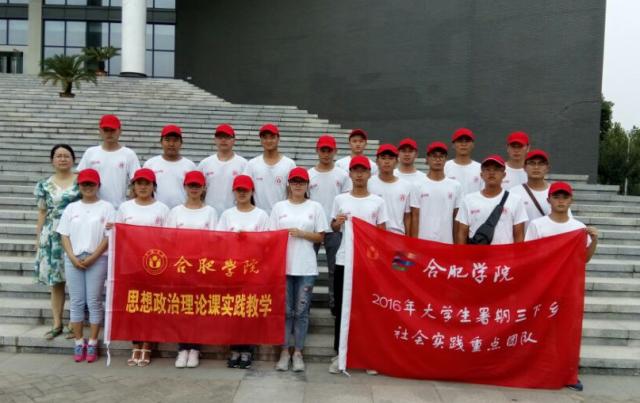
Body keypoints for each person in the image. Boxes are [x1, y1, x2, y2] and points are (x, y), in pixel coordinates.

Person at [524, 181, 598, 393]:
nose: (560, 201)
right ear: (549, 200)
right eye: (556, 197)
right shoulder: (537, 225)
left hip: (569, 286)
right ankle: (536, 369)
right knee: (539, 328)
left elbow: (584, 259)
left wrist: (594, 240)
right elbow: (529, 254)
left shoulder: (578, 228)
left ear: (570, 200)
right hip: (544, 285)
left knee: (567, 330)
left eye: (564, 197)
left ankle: (568, 373)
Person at [329, 156, 388, 374]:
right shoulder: (340, 199)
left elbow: (382, 233)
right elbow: (333, 227)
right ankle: (340, 354)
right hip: (344, 260)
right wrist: (337, 223)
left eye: (363, 170)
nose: (359, 174)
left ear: (369, 174)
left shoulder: (378, 202)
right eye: (356, 170)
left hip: (368, 263)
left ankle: (368, 355)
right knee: (342, 308)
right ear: (350, 174)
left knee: (368, 309)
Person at [271, 167, 328, 372]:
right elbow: (271, 235)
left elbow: (321, 236)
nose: (297, 185)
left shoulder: (315, 207)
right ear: (288, 184)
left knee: (301, 312)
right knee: (286, 311)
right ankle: (284, 351)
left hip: (306, 267)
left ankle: (298, 352)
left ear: (307, 185)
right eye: (294, 181)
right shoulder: (279, 207)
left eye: (301, 182)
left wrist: (302, 233)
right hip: (284, 267)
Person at [57, 169, 115, 363]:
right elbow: (64, 234)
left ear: (98, 185)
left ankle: (93, 342)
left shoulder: (107, 207)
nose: (88, 187)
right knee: (76, 301)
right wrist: (72, 257)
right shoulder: (71, 208)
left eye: (91, 184)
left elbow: (109, 236)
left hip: (97, 258)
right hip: (73, 258)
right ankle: (78, 341)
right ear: (79, 186)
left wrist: (93, 257)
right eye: (84, 184)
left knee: (93, 300)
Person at [116, 168, 170, 367]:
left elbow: (168, 237)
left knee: (150, 305)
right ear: (133, 186)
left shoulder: (162, 209)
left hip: (154, 265)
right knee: (134, 305)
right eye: (139, 183)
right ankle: (135, 344)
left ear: (154, 186)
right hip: (130, 263)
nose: (143, 187)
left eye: (147, 183)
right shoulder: (125, 208)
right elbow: (117, 233)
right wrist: (112, 229)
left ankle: (147, 344)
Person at [217, 175, 270, 369]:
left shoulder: (261, 215)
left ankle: (247, 349)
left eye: (245, 190)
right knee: (233, 310)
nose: (242, 193)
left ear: (252, 192)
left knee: (249, 309)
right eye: (239, 190)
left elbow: (267, 241)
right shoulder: (227, 215)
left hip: (253, 268)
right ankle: (234, 348)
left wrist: (250, 239)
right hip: (232, 268)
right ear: (234, 192)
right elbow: (219, 239)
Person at [166, 170, 217, 368]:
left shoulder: (210, 212)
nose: (194, 189)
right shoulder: (175, 212)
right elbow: (168, 239)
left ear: (204, 188)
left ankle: (195, 348)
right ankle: (182, 348)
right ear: (185, 187)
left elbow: (215, 240)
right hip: (181, 266)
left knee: (198, 308)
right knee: (181, 308)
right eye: (191, 185)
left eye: (198, 185)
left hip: (201, 267)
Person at [35, 144, 80, 340]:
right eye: (59, 156)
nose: (62, 159)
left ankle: (74, 323)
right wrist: (38, 238)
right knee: (56, 282)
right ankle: (57, 323)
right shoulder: (44, 185)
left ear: (73, 159)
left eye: (66, 156)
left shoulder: (81, 182)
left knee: (75, 281)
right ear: (52, 160)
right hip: (52, 236)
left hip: (75, 234)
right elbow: (42, 212)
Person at [308, 135, 351, 315]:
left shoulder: (342, 175)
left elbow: (347, 201)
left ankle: (335, 304)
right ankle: (305, 302)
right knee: (308, 267)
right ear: (317, 151)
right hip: (312, 229)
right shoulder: (309, 174)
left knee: (335, 269)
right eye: (323, 150)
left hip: (335, 228)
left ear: (335, 152)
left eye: (329, 150)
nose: (326, 154)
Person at [455, 155, 528, 245]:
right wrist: (461, 254)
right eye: (487, 169)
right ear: (481, 175)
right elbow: (462, 234)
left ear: (504, 175)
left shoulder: (515, 200)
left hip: (505, 253)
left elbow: (519, 235)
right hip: (477, 253)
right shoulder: (468, 200)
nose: (492, 173)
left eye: (496, 169)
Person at [76, 114, 140, 208]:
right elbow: (79, 179)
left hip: (117, 208)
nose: (109, 133)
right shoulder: (90, 153)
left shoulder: (129, 154)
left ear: (120, 131)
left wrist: (128, 206)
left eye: (112, 130)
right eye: (106, 130)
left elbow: (136, 182)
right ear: (100, 131)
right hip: (93, 207)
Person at [411, 142, 462, 243]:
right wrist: (414, 244)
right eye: (434, 156)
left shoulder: (455, 186)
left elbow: (456, 219)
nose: (438, 160)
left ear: (445, 159)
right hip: (423, 241)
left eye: (441, 156)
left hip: (446, 243)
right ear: (427, 159)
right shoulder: (417, 185)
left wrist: (456, 246)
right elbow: (415, 217)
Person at [244, 124, 296, 215]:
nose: (268, 141)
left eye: (272, 137)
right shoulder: (252, 164)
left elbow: (292, 193)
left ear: (278, 139)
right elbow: (245, 191)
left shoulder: (289, 164)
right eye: (265, 138)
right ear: (260, 140)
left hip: (281, 216)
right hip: (258, 217)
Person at [143, 124, 196, 208]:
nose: (171, 144)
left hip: (182, 212)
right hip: (156, 211)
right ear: (161, 142)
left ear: (181, 143)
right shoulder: (150, 164)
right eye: (167, 140)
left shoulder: (190, 166)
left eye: (175, 140)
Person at [198, 124, 248, 213]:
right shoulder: (205, 164)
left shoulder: (243, 164)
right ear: (215, 140)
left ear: (234, 140)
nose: (223, 140)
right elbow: (198, 191)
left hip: (234, 214)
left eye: (227, 137)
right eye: (220, 137)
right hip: (209, 213)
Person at [368, 144, 413, 235]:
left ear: (396, 162)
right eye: (383, 158)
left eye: (391, 158)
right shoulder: (368, 183)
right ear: (377, 161)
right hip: (374, 235)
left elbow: (407, 216)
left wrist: (407, 239)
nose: (387, 161)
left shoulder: (406, 186)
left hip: (397, 236)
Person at [509, 150, 552, 227]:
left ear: (547, 168)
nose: (536, 167)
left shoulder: (556, 192)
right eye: (532, 163)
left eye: (541, 163)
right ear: (524, 167)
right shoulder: (514, 192)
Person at [444, 128, 482, 195]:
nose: (463, 144)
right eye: (460, 141)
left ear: (473, 145)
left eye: (467, 141)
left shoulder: (480, 168)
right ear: (453, 145)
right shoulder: (445, 167)